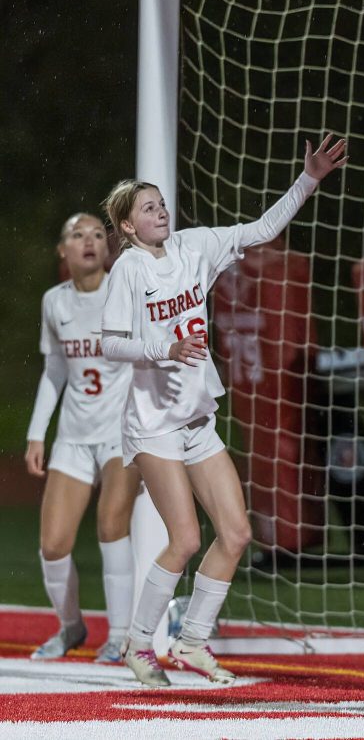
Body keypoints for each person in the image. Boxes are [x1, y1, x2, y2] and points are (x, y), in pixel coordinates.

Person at [100, 134, 348, 687]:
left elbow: (261, 230)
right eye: (147, 208)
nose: (159, 211)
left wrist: (309, 178)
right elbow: (111, 343)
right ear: (127, 227)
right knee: (186, 539)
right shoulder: (129, 271)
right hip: (154, 426)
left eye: (161, 202)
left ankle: (190, 642)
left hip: (197, 421)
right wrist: (163, 348)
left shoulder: (193, 247)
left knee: (236, 533)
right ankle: (139, 646)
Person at [24, 213, 138, 664]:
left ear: (106, 248)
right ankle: (71, 626)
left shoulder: (126, 293)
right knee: (53, 544)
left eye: (96, 234)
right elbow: (55, 371)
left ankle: (122, 636)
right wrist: (37, 434)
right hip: (73, 435)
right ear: (63, 251)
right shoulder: (55, 302)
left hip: (120, 433)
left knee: (112, 524)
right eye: (77, 234)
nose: (89, 241)